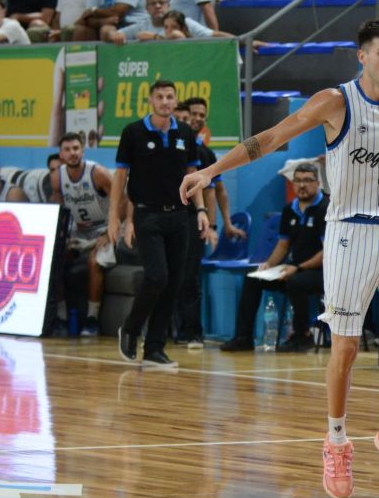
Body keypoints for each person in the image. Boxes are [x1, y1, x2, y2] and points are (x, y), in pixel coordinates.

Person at [181, 19, 379, 498]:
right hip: (349, 234)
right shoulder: (335, 102)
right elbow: (269, 138)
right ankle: (336, 441)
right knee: (346, 347)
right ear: (362, 56)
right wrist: (211, 171)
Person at [109, 79, 211, 368]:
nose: (165, 101)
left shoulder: (186, 133)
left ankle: (154, 348)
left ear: (175, 101)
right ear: (151, 101)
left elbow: (193, 175)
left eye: (169, 97)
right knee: (157, 276)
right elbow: (120, 177)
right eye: (160, 97)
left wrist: (201, 210)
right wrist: (115, 217)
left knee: (174, 283)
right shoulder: (133, 132)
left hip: (179, 216)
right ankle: (130, 328)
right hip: (148, 215)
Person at [221, 162, 327, 352]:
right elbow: (283, 245)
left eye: (307, 180)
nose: (302, 185)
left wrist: (298, 268)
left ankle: (303, 336)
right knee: (253, 278)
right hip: (294, 268)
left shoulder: (326, 209)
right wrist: (268, 264)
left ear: (318, 183)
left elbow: (328, 253)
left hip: (323, 272)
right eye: (298, 181)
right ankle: (243, 337)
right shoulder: (289, 209)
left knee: (296, 282)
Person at [174, 97, 246, 348]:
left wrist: (219, 225)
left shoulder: (204, 153)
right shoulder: (169, 148)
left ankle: (192, 332)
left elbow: (216, 192)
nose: (195, 119)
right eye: (191, 115)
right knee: (169, 277)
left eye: (200, 115)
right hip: (168, 220)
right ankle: (172, 331)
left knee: (189, 278)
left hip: (193, 221)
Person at [50, 133, 115, 337]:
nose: (72, 153)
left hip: (104, 228)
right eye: (67, 149)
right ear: (61, 154)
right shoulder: (56, 177)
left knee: (94, 262)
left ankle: (92, 318)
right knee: (55, 259)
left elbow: (121, 200)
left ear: (83, 151)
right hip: (78, 232)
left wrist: (111, 231)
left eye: (76, 148)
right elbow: (60, 212)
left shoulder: (98, 173)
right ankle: (61, 317)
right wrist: (62, 238)